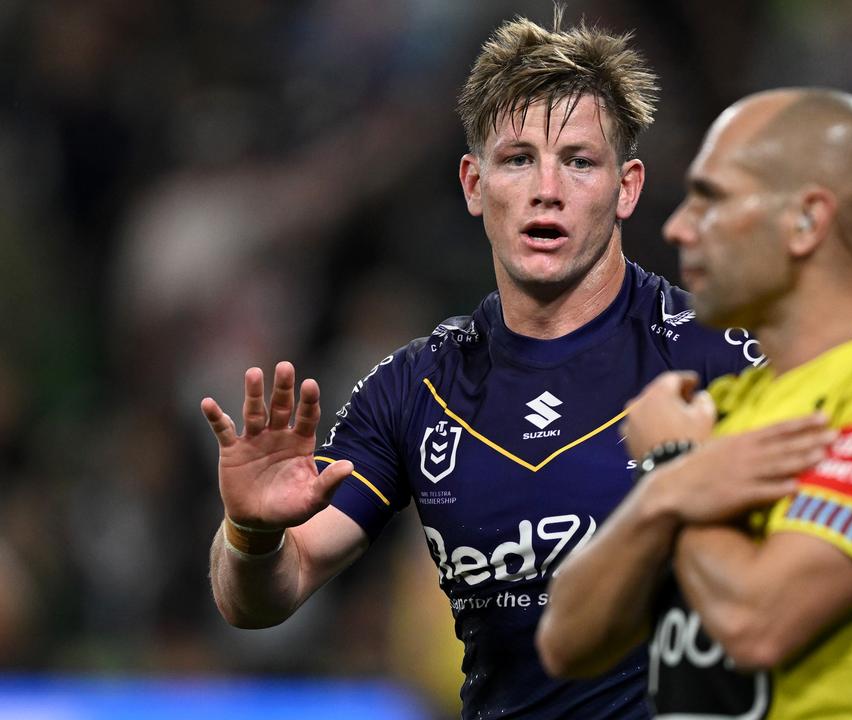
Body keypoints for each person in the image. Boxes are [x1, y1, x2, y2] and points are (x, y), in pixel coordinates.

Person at [200, 13, 760, 720]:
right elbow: (263, 595)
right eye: (518, 159)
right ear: (473, 182)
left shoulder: (719, 356)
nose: (545, 189)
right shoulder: (414, 389)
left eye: (580, 161)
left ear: (627, 187)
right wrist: (252, 534)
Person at [537, 88, 852, 718]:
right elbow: (565, 643)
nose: (678, 226)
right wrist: (661, 495)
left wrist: (674, 464)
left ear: (807, 220)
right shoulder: (721, 405)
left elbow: (757, 622)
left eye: (712, 198)